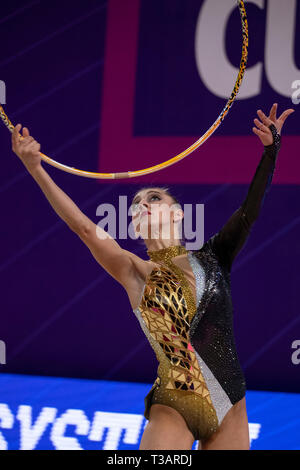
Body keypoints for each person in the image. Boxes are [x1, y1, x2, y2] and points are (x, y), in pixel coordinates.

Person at [11, 103, 294, 450]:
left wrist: (271, 151)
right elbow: (84, 228)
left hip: (232, 404)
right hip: (176, 402)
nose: (142, 203)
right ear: (133, 225)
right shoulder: (134, 271)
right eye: (136, 205)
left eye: (154, 198)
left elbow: (250, 210)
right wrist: (35, 168)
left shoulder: (215, 255)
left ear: (176, 214)